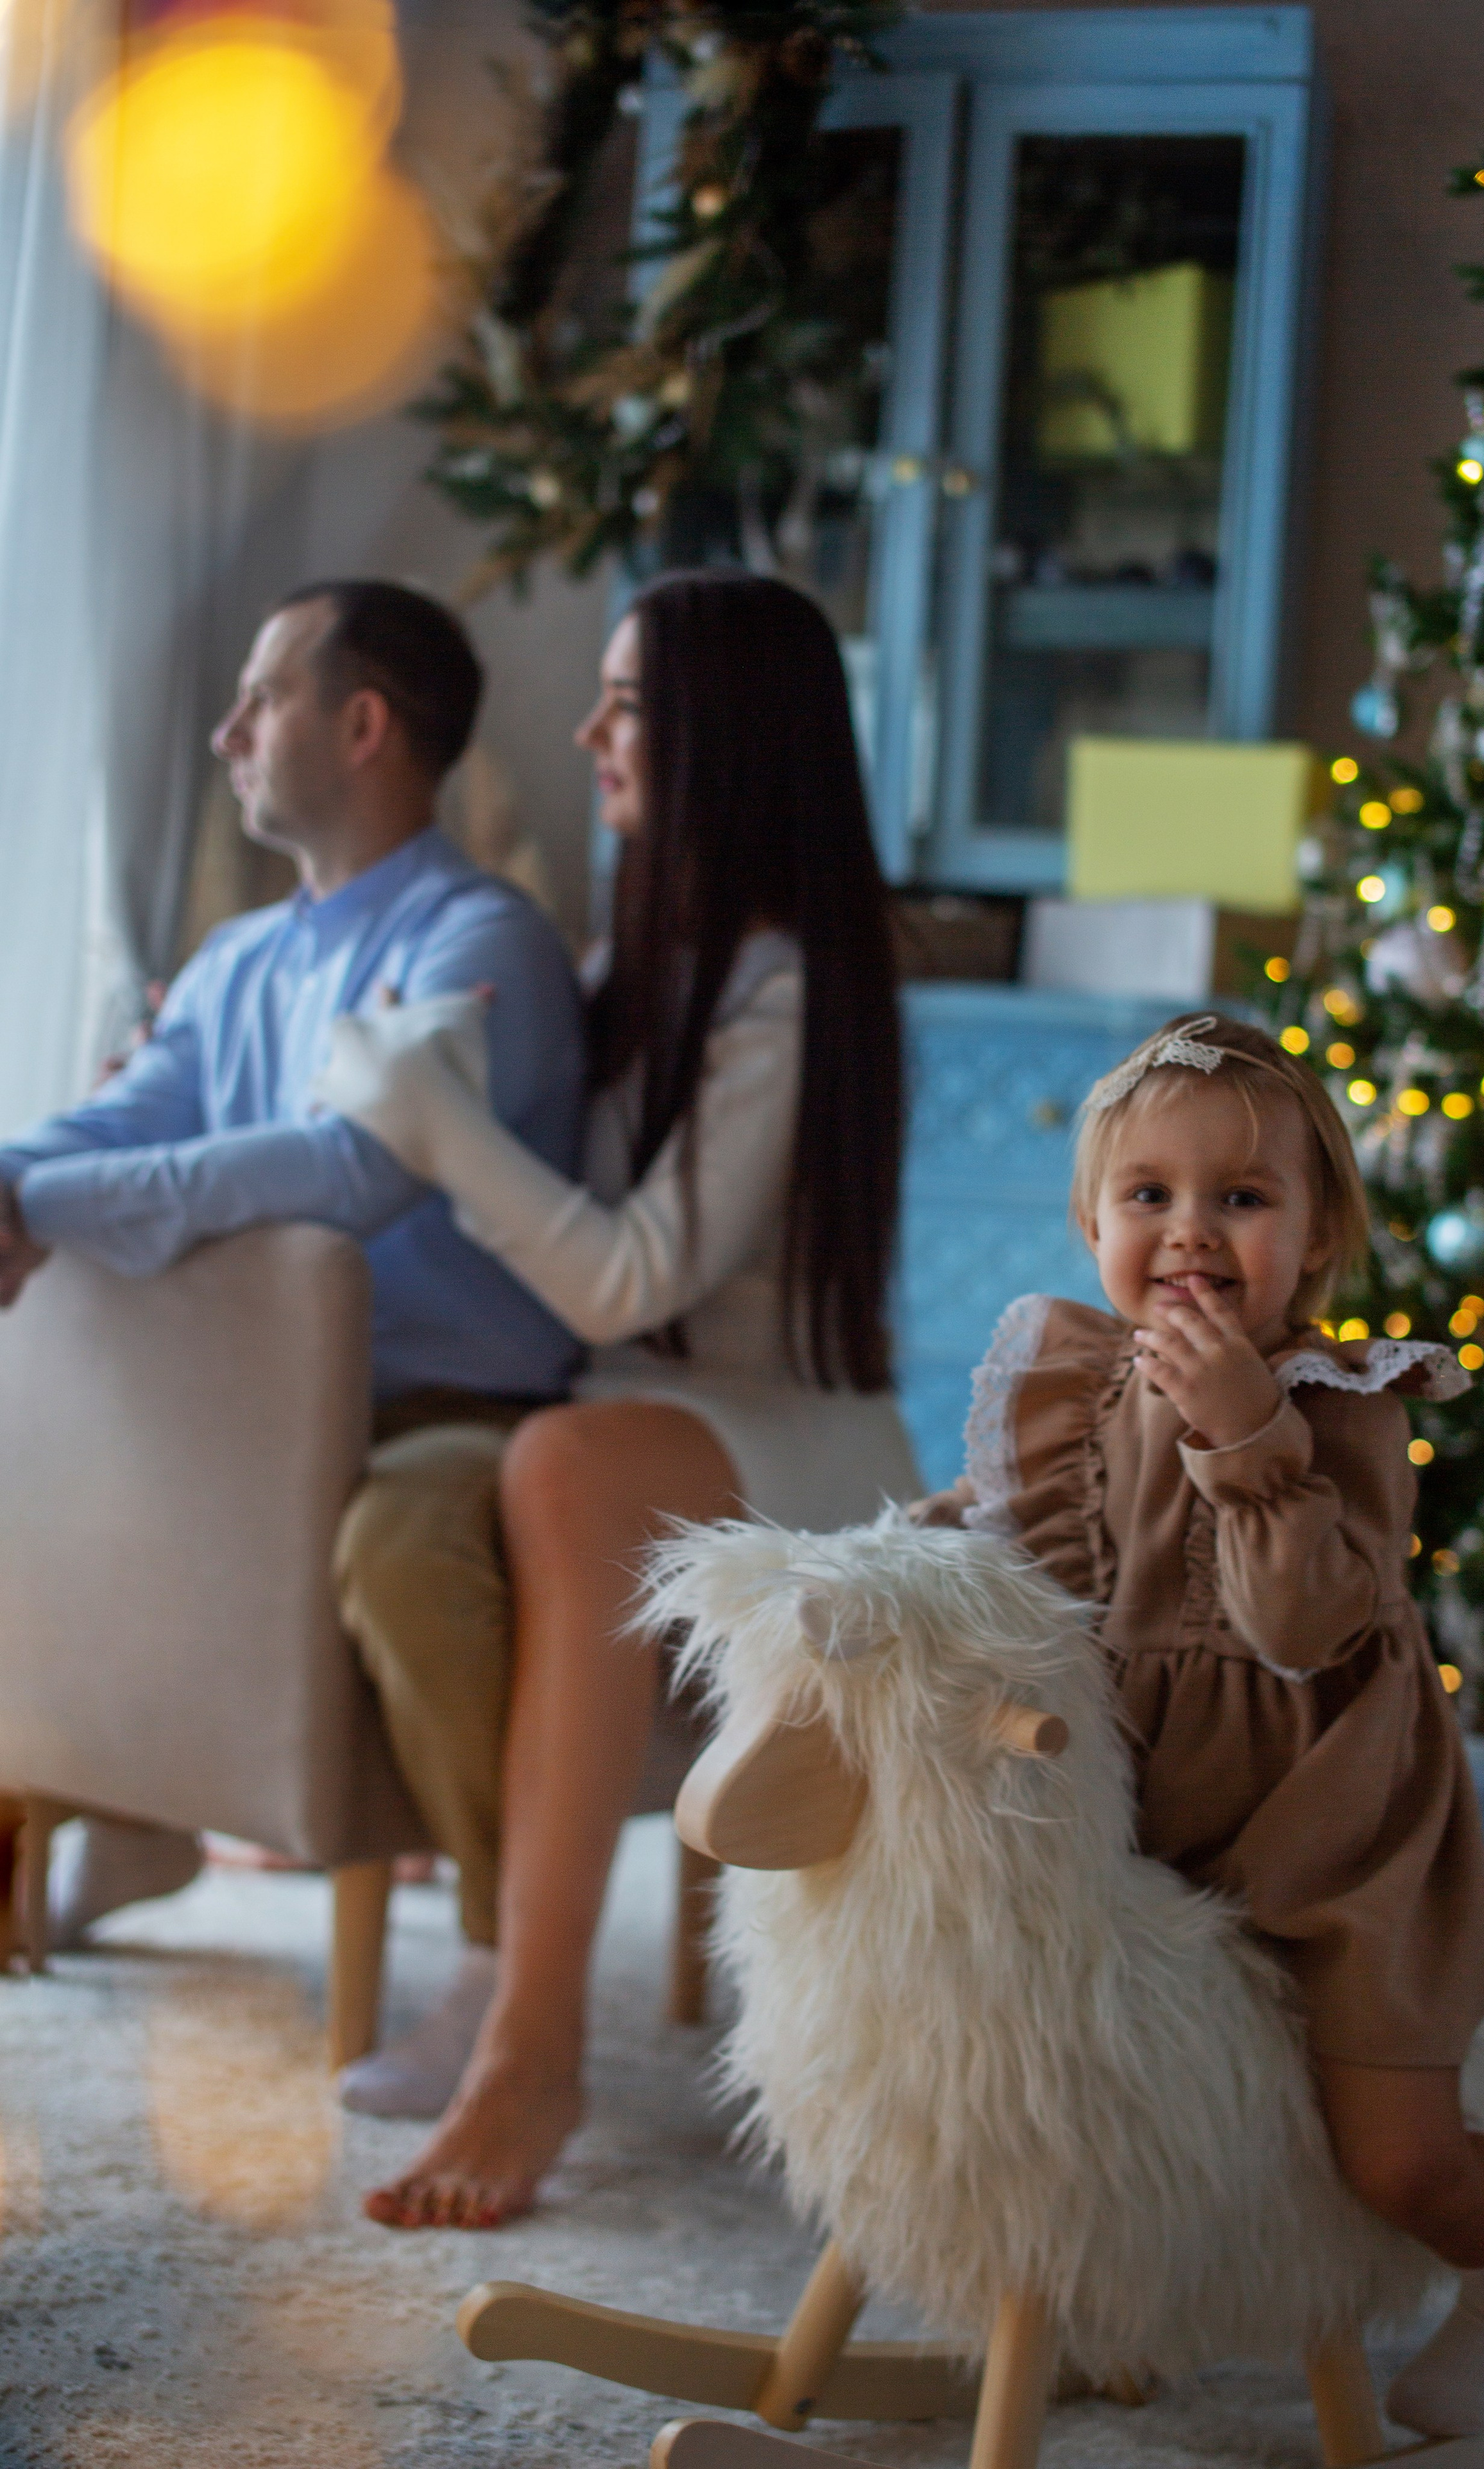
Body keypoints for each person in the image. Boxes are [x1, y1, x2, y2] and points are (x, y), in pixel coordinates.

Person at [316, 569, 919, 2228]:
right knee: (413, 1510)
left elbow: (625, 1278)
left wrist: (439, 1127)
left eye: (626, 702)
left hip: (784, 1436)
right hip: (618, 1418)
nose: (587, 731)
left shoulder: (789, 990)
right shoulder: (626, 959)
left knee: (569, 1464)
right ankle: (504, 1957)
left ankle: (532, 2039)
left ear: (723, 735)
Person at [914, 1011, 1484, 2441]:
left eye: (1242, 1198)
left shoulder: (1338, 1410)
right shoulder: (1076, 1383)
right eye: (1148, 1194)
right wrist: (901, 1562)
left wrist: (1240, 1430)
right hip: (1142, 1818)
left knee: (1392, 2163)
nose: (1190, 1233)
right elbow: (1009, 1540)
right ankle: (1103, 2304)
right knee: (1071, 2074)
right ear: (1091, 1219)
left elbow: (1300, 1627)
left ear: (1316, 1240)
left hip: (1336, 1839)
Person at [0, 578, 584, 1939]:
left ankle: (513, 1965)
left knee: (401, 1546)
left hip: (448, 1406)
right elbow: (131, 1117)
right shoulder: (234, 958)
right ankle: (126, 1819)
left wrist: (47, 1201)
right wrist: (17, 1178)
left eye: (261, 696)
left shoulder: (480, 944)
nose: (228, 734)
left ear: (364, 723)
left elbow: (351, 1171)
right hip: (251, 1412)